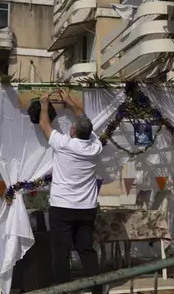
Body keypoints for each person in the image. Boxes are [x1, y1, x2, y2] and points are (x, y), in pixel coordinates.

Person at [38, 90, 103, 293]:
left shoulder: (64, 144)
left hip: (62, 207)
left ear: (73, 131)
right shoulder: (96, 146)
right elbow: (84, 121)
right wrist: (71, 102)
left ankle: (64, 290)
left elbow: (44, 125)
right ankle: (97, 290)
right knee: (86, 250)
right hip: (86, 208)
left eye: (73, 127)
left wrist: (43, 105)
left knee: (61, 252)